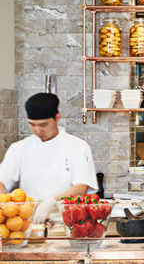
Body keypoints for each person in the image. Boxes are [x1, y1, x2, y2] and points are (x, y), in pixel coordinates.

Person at [0, 93, 98, 223]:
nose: (37, 130)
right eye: (32, 125)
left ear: (57, 118)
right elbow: (2, 182)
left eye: (43, 124)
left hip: (66, 222)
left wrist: (51, 203)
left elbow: (81, 187)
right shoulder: (19, 148)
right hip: (28, 224)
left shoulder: (78, 146)